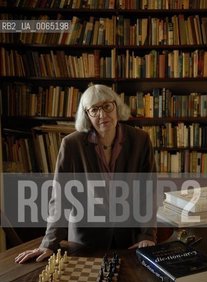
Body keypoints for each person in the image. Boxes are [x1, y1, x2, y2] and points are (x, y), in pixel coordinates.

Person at [15, 84, 157, 265]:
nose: (102, 115)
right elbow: (60, 197)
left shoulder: (140, 140)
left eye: (107, 106)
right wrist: (49, 243)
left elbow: (148, 191)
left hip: (130, 240)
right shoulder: (71, 144)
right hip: (85, 241)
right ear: (87, 115)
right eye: (94, 109)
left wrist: (148, 235)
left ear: (116, 107)